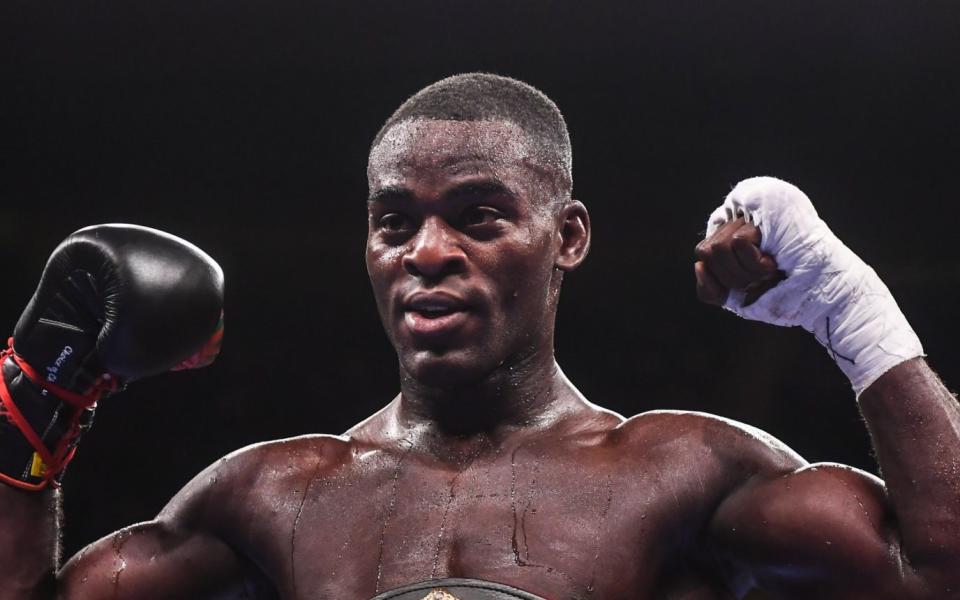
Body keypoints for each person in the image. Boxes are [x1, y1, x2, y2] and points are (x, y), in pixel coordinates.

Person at [1, 73, 958, 600]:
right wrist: (32, 397)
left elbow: (938, 571)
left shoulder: (681, 470)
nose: (426, 252)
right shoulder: (271, 494)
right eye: (393, 223)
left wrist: (847, 305)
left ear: (567, 237)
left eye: (478, 215)